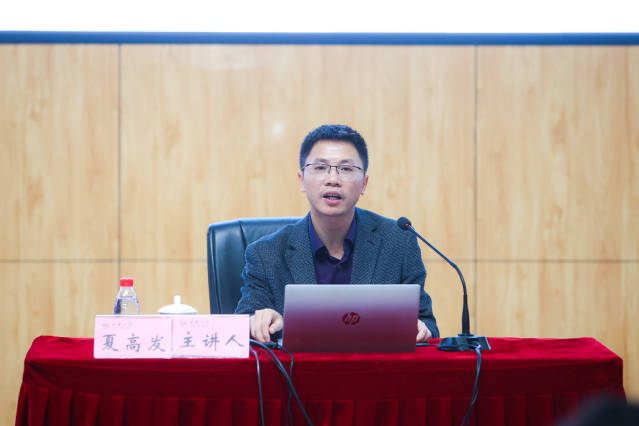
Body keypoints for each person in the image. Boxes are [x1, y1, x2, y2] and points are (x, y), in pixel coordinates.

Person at [235, 124, 438, 343]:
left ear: (364, 184)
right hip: (297, 366)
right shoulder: (265, 254)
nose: (333, 179)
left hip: (375, 365)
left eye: (347, 169)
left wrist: (422, 329)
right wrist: (258, 322)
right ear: (302, 180)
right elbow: (243, 325)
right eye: (320, 167)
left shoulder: (399, 241)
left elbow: (426, 323)